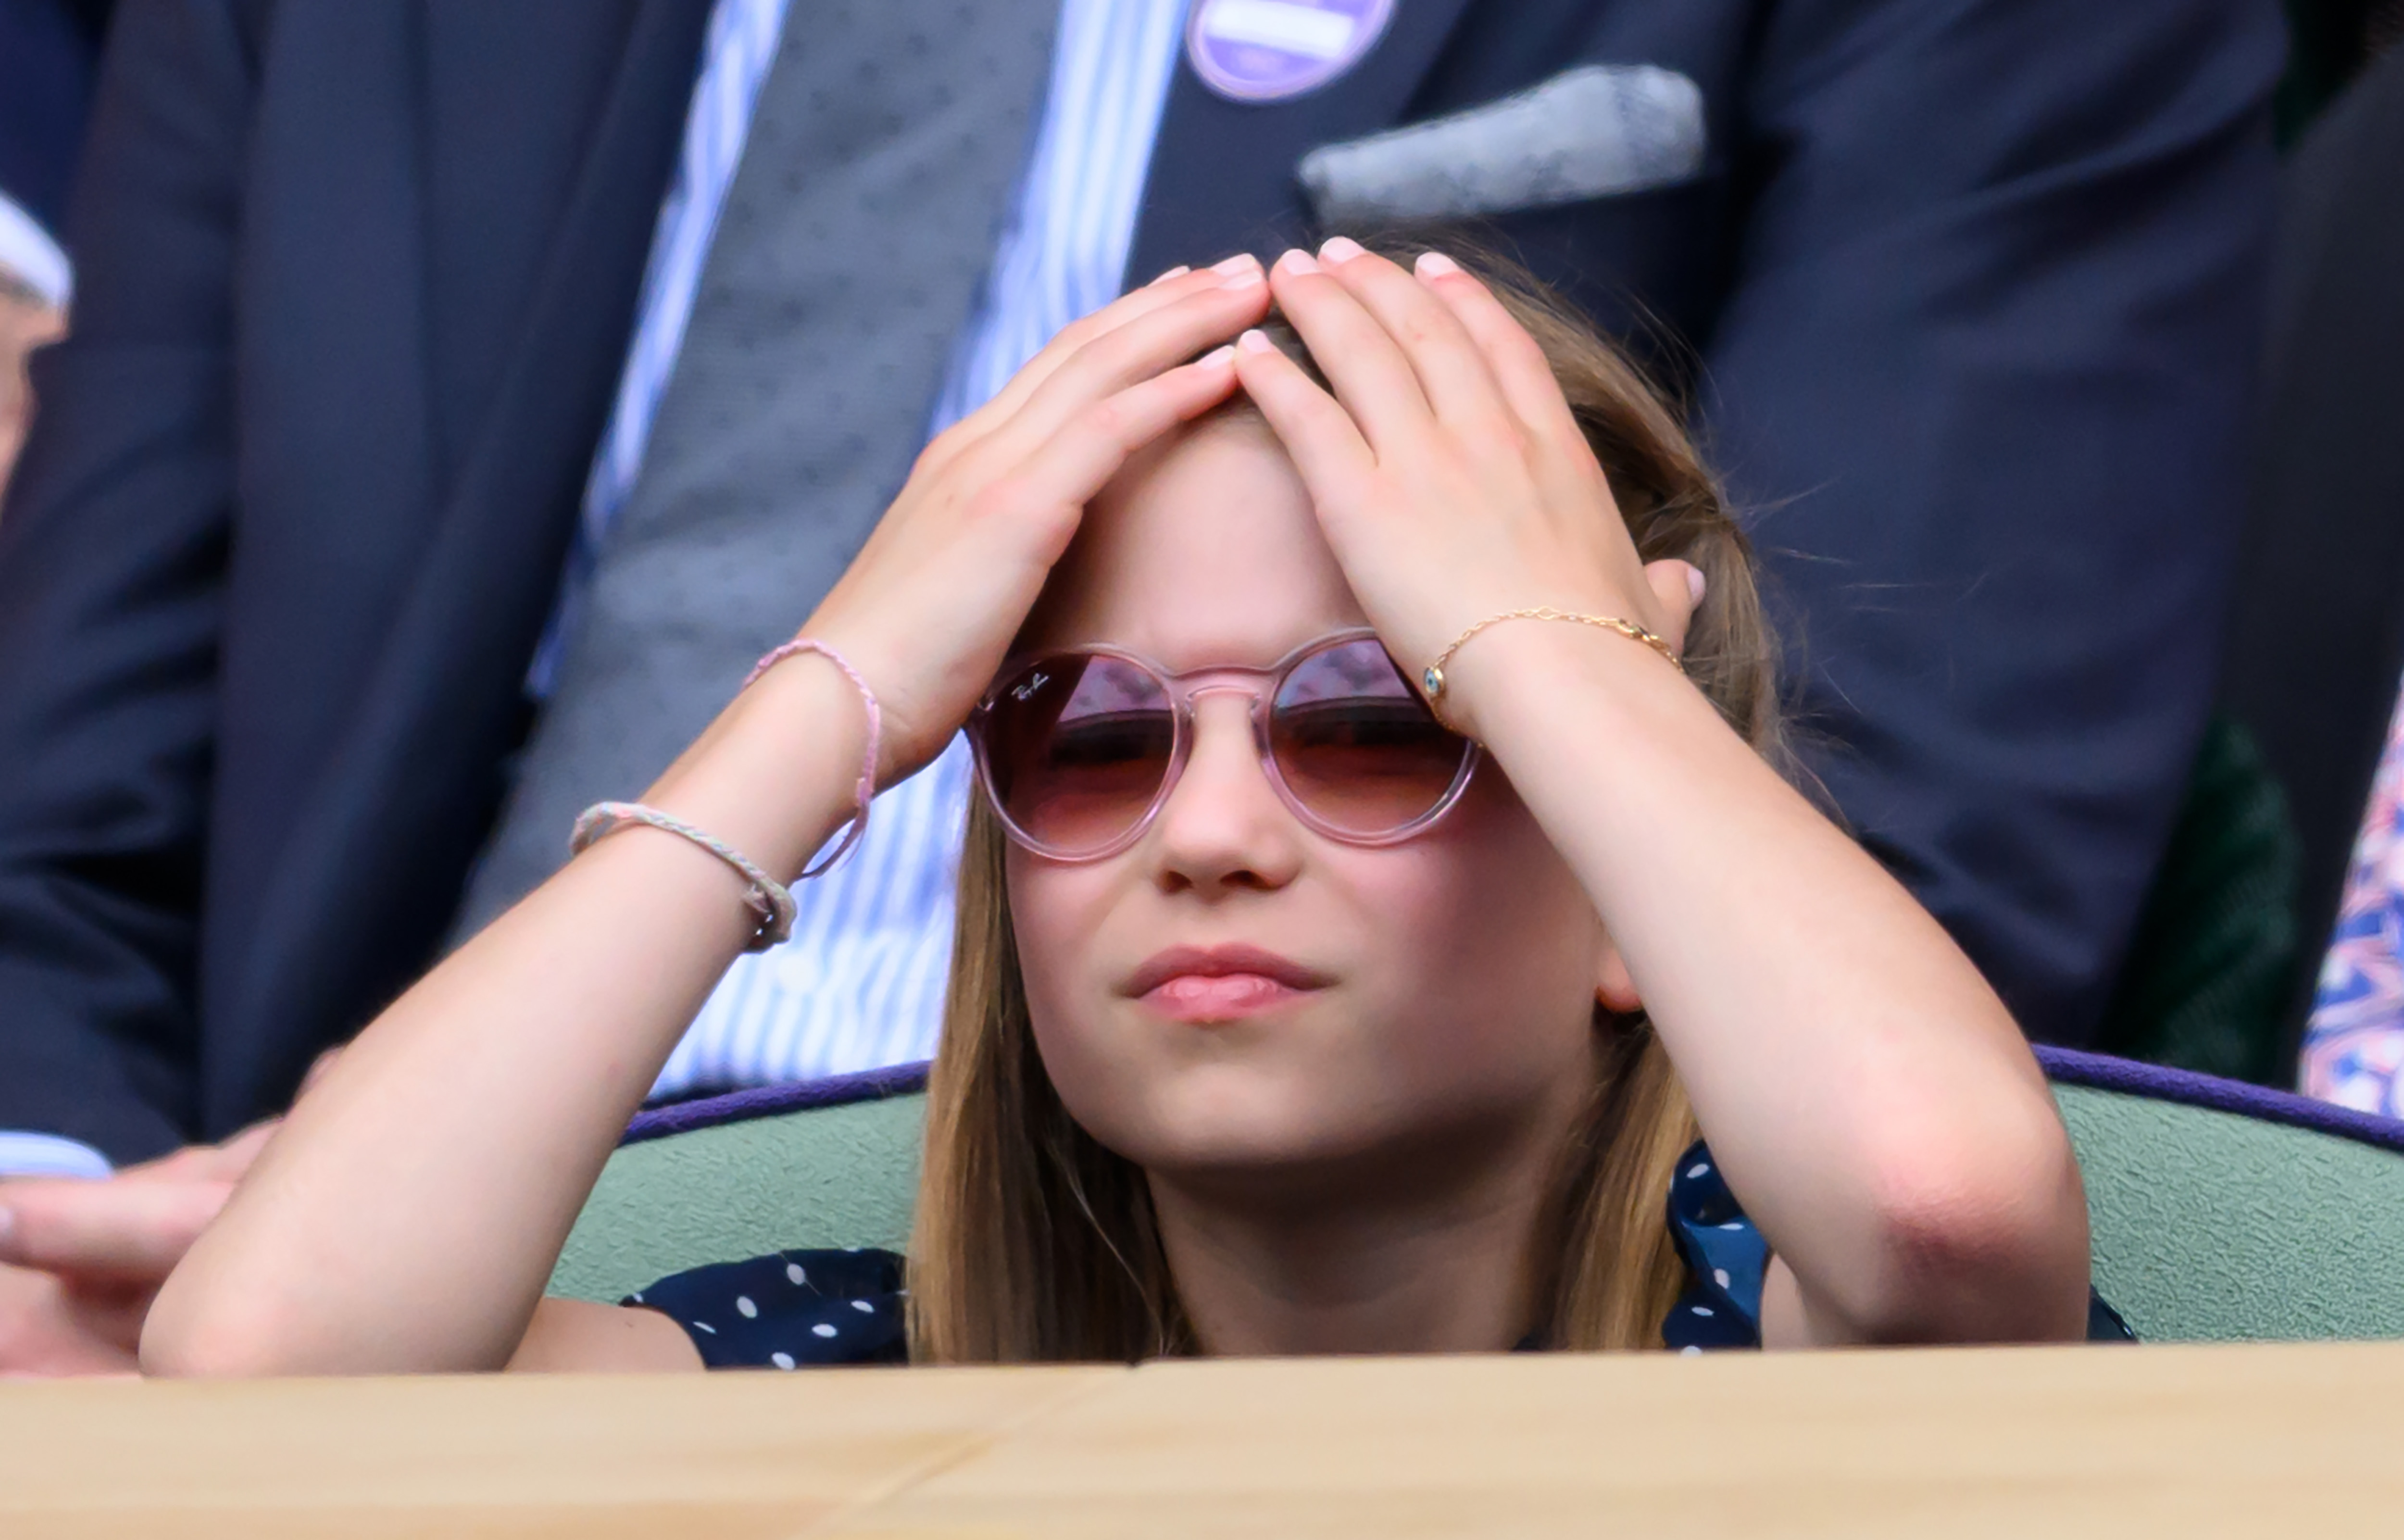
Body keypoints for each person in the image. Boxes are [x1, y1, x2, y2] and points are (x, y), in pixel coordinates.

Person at [1, 0, 2270, 1367]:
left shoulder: (1762, 1337)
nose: (1199, 823)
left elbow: (1943, 1197)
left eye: (1382, 718)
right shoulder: (851, 1351)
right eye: (1077, 740)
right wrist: (852, 688)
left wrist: (1548, 647)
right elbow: (275, 1362)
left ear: (1608, 842)